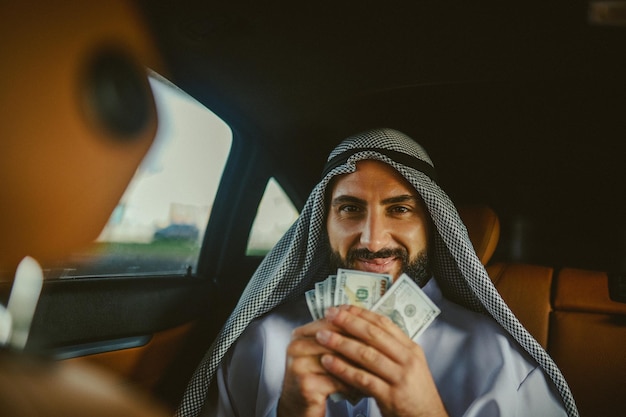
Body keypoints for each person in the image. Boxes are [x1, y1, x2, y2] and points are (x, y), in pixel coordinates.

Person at [177, 128, 578, 417]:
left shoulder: (502, 362)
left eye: (400, 209)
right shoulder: (260, 344)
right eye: (350, 209)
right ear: (324, 223)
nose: (372, 240)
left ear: (432, 225)